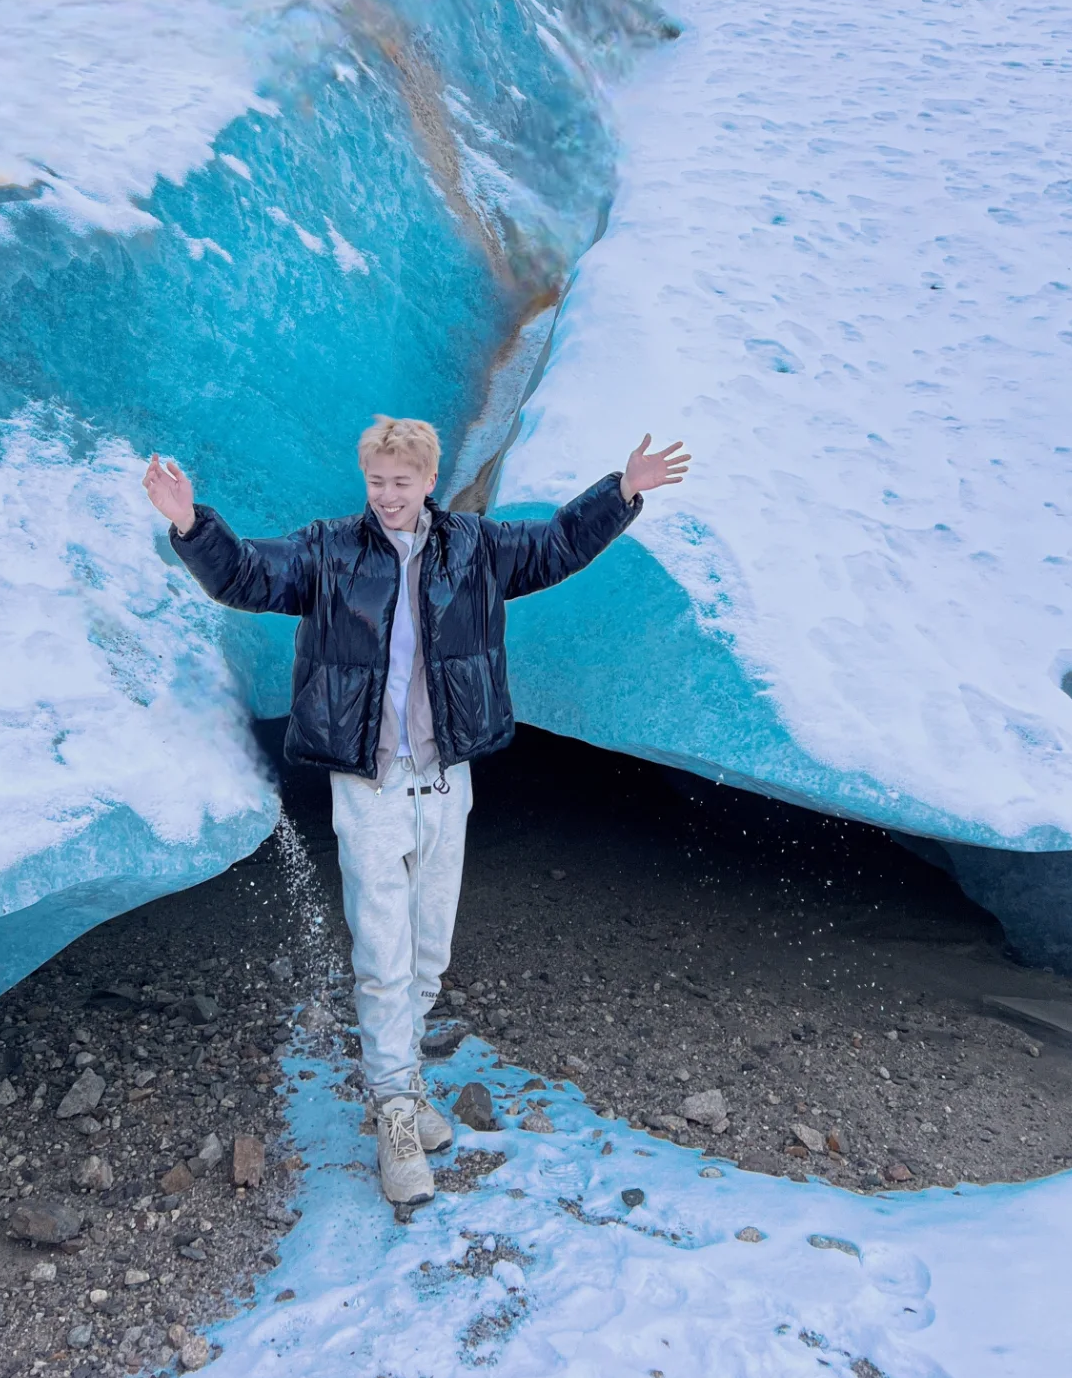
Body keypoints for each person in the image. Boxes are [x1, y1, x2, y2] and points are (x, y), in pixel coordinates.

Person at [143, 417, 690, 1207]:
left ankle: (402, 1083)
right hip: (369, 785)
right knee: (383, 953)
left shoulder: (475, 547)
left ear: (429, 482)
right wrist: (192, 525)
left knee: (429, 951)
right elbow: (249, 577)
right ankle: (396, 1112)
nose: (388, 496)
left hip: (443, 779)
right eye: (377, 483)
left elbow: (557, 545)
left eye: (401, 483)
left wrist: (623, 490)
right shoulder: (330, 550)